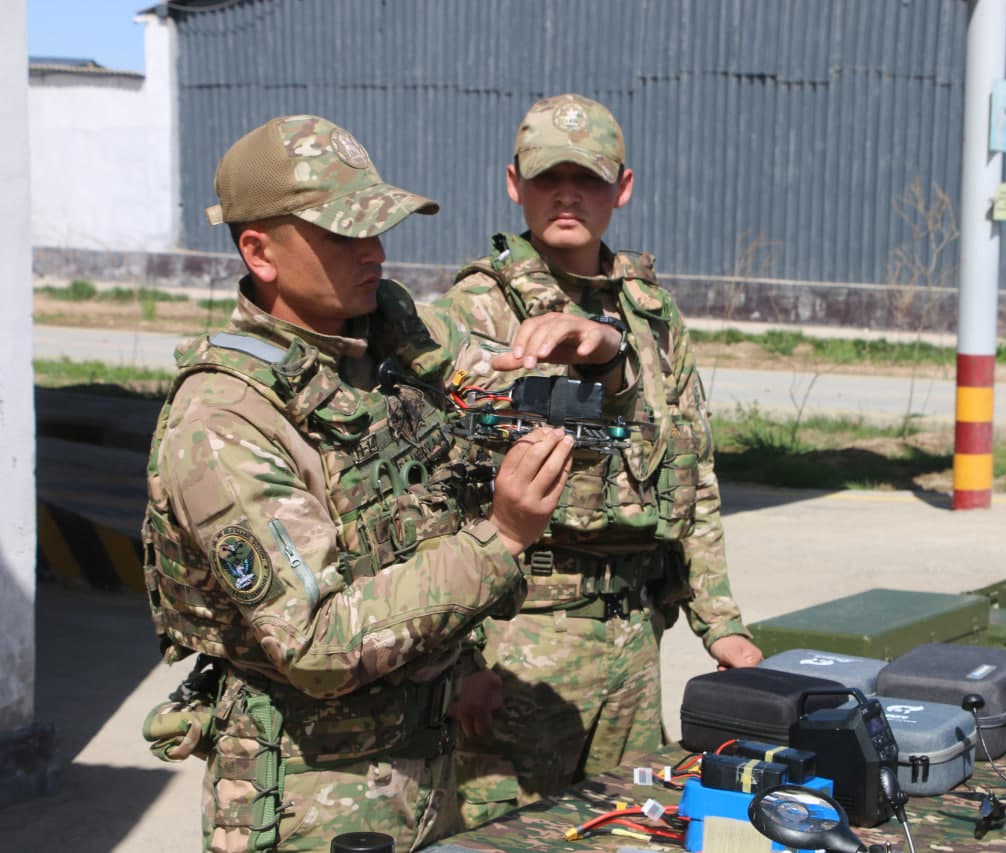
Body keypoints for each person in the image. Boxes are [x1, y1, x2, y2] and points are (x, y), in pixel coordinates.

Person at [140, 114, 626, 852]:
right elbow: (316, 643)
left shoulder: (389, 340)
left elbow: (571, 425)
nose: (375, 252)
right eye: (343, 235)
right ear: (258, 252)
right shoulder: (222, 420)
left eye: (377, 228)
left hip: (429, 775)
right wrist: (499, 539)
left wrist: (602, 359)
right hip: (313, 799)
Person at [437, 93, 764, 827]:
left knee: (632, 826)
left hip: (633, 636)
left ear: (622, 187)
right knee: (510, 836)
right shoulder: (478, 308)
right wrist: (460, 660)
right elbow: (439, 492)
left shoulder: (650, 314)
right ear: (514, 184)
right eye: (549, 176)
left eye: (587, 178)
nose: (567, 195)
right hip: (521, 643)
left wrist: (721, 623)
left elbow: (693, 475)